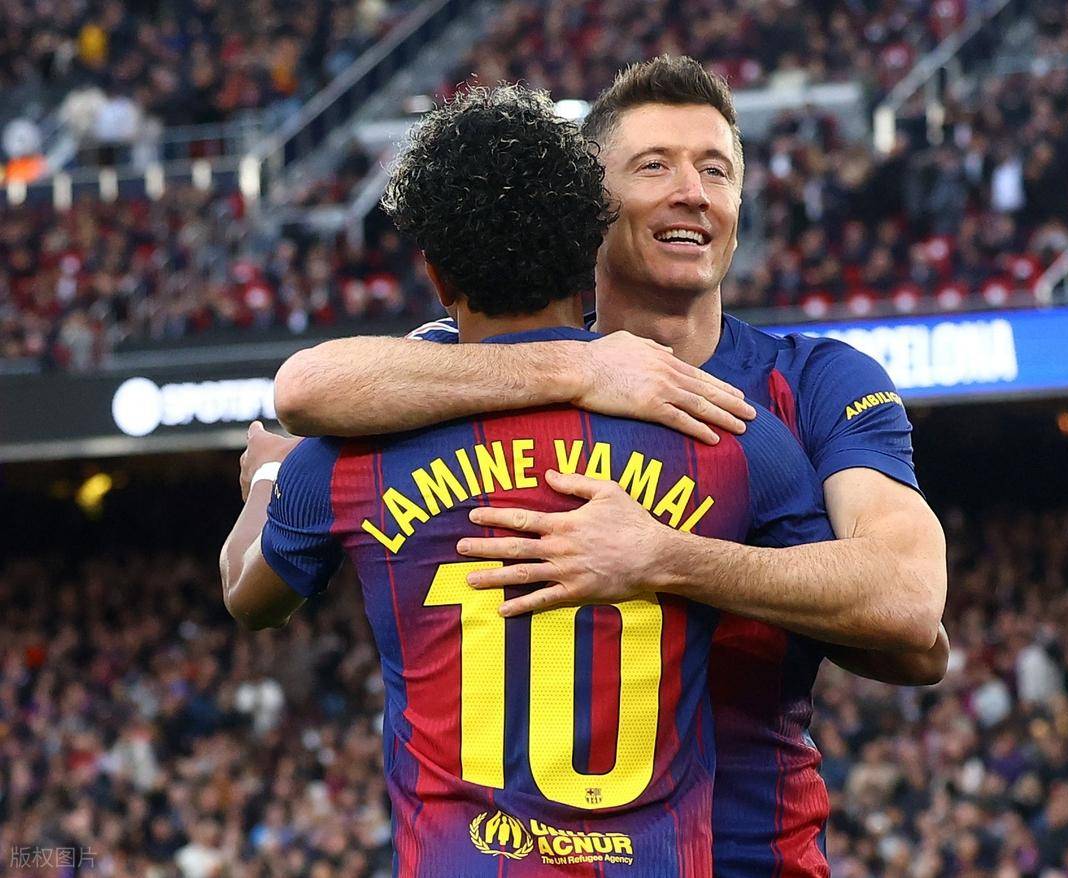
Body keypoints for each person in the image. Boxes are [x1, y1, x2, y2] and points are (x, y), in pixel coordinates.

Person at [266, 57, 949, 876]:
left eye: (716, 171)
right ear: (591, 205)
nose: (692, 192)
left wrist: (667, 558)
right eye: (654, 166)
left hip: (755, 859)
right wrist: (577, 367)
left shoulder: (814, 382)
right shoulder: (477, 364)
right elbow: (306, 388)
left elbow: (912, 615)